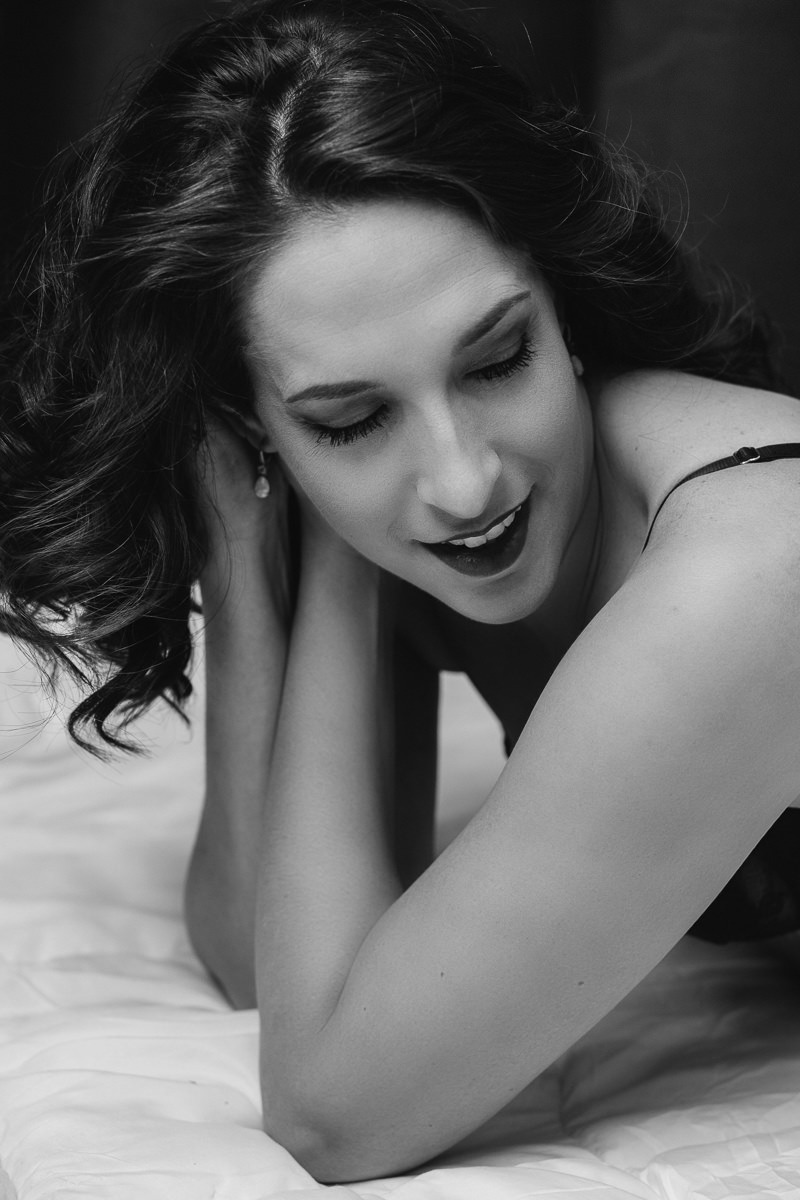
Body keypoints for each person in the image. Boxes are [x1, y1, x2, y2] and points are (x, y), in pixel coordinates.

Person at [2, 0, 800, 1182]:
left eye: (497, 359)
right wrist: (299, 552)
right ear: (253, 429)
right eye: (352, 416)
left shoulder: (748, 571)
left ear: (560, 306)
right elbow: (261, 963)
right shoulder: (436, 541)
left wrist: (343, 485)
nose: (462, 478)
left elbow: (335, 1113)